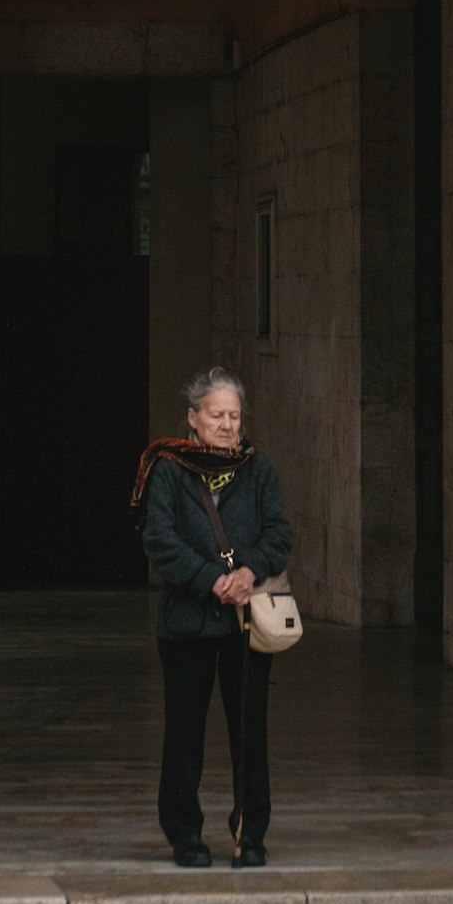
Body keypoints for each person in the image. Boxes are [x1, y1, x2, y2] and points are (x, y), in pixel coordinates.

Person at [131, 367, 292, 869]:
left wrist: (249, 571)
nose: (227, 425)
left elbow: (278, 534)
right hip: (187, 625)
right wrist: (211, 579)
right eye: (216, 415)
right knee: (184, 734)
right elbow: (159, 540)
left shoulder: (258, 469)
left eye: (234, 416)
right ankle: (185, 834)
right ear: (193, 419)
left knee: (250, 734)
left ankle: (251, 834)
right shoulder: (169, 469)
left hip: (245, 627)